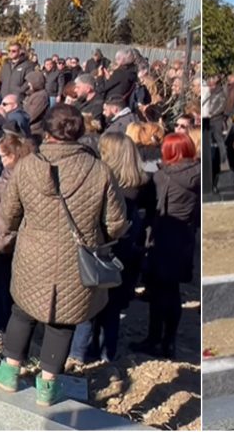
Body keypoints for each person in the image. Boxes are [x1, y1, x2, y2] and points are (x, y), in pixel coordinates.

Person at [0, 104, 127, 407]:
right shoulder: (99, 170)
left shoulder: (27, 166)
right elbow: (116, 224)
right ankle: (48, 385)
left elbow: (8, 216)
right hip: (77, 257)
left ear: (47, 131)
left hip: (33, 253)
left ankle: (10, 371)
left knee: (22, 310)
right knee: (63, 320)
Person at [70, 133, 155, 365]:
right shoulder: (144, 184)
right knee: (112, 309)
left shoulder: (106, 185)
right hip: (127, 255)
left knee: (88, 307)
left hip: (103, 252)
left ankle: (79, 354)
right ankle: (108, 354)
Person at [131, 133, 198, 359]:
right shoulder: (196, 174)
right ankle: (169, 342)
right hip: (184, 238)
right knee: (173, 292)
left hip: (162, 237)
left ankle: (154, 338)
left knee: (158, 292)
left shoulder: (163, 176)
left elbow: (146, 201)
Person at [0, 134, 36, 334]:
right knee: (16, 285)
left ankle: (0, 325)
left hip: (0, 240)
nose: (0, 159)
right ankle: (17, 326)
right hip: (24, 241)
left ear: (13, 156)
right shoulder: (35, 176)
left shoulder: (1, 179)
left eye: (2, 155)